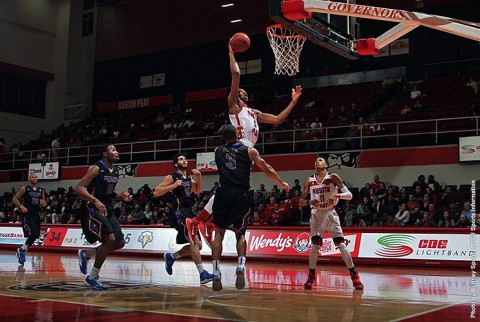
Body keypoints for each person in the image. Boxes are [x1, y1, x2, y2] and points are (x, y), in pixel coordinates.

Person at [187, 41, 302, 247]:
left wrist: (293, 101)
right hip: (236, 149)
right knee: (233, 187)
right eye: (240, 92)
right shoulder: (234, 107)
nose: (243, 92)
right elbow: (236, 76)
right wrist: (231, 52)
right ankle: (198, 222)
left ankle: (206, 222)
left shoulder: (254, 113)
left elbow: (277, 119)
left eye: (244, 92)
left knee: (231, 189)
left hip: (246, 151)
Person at [210, 124, 289, 291]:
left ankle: (216, 272)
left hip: (223, 193)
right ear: (238, 134)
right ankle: (241, 266)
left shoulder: (217, 151)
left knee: (219, 233)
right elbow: (266, 168)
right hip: (241, 194)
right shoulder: (250, 151)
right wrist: (281, 183)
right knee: (240, 234)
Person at [299, 157, 363, 290]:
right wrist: (309, 202)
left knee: (341, 245)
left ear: (326, 164)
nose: (317, 162)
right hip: (316, 214)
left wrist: (337, 196)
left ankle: (354, 275)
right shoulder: (309, 180)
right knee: (315, 247)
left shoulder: (333, 177)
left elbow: (349, 195)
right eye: (315, 160)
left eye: (320, 160)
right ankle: (311, 275)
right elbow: (301, 202)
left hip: (330, 214)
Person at [75, 144, 131, 290]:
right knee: (110, 239)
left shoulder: (116, 171)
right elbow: (79, 188)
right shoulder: (96, 168)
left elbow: (109, 193)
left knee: (119, 242)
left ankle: (87, 254)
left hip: (106, 208)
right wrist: (95, 200)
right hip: (91, 208)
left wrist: (120, 196)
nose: (117, 152)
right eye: (113, 150)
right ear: (105, 154)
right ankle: (92, 277)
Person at [153, 153, 214, 285]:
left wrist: (199, 177)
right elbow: (156, 192)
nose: (184, 160)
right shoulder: (172, 176)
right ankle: (202, 274)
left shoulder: (188, 177)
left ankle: (171, 256)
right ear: (176, 164)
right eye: (181, 159)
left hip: (189, 212)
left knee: (198, 245)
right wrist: (173, 186)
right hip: (178, 212)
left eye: (185, 159)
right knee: (193, 241)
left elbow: (197, 191)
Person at [12, 173, 46, 265]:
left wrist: (44, 203)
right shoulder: (24, 189)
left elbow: (43, 202)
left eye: (35, 177)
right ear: (29, 178)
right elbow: (15, 199)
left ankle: (22, 249)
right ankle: (22, 250)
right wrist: (21, 207)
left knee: (36, 235)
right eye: (32, 177)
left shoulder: (40, 190)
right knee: (33, 233)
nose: (34, 178)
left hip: (36, 215)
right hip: (27, 214)